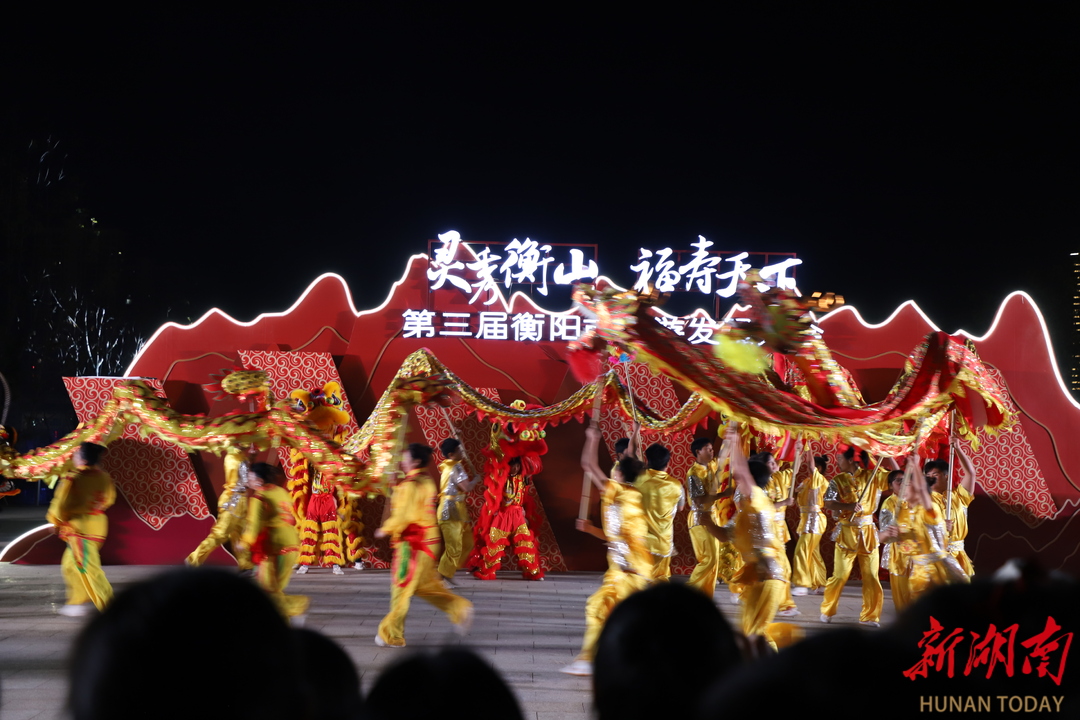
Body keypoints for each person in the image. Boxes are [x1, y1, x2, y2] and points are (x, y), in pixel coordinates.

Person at [561, 425, 651, 676]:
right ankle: (593, 659)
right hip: (625, 570)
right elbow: (615, 537)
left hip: (628, 571)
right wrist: (590, 530)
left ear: (619, 474)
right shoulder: (631, 495)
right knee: (604, 611)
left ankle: (590, 659)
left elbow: (588, 465)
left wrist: (592, 438)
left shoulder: (618, 492)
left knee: (600, 609)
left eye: (615, 471)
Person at [375, 443, 473, 648]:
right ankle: (458, 607)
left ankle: (392, 634)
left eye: (405, 458)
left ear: (416, 461)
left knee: (401, 591)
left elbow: (404, 514)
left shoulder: (409, 485)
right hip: (429, 543)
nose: (402, 461)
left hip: (412, 546)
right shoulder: (425, 481)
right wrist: (394, 488)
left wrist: (386, 528)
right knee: (425, 587)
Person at [819, 446, 898, 627]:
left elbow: (895, 476)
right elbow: (828, 503)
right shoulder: (837, 481)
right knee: (840, 576)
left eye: (840, 458)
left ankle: (870, 615)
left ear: (851, 460)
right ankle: (828, 609)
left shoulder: (873, 476)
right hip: (847, 533)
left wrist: (887, 453)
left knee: (871, 575)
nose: (837, 462)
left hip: (869, 533)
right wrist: (848, 506)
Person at [48, 442, 116, 616]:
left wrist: (55, 521)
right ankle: (77, 603)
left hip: (80, 529)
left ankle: (111, 608)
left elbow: (61, 503)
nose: (73, 456)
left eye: (75, 453)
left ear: (81, 458)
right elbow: (109, 499)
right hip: (97, 526)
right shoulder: (103, 476)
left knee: (90, 569)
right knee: (70, 566)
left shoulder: (74, 477)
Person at [880, 470, 968, 603]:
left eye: (908, 485)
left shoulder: (928, 508)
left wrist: (916, 465)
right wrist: (887, 534)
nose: (904, 488)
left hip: (937, 570)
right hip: (919, 570)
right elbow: (884, 538)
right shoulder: (904, 511)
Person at [240, 463, 310, 619]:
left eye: (250, 477)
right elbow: (290, 516)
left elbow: (254, 526)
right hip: (291, 544)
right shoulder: (281, 491)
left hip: (273, 547)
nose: (248, 481)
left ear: (259, 480)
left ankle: (296, 607)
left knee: (267, 591)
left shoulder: (259, 498)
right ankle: (286, 621)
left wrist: (243, 543)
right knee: (274, 589)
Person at [474, 456, 545, 580]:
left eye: (518, 466)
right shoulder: (501, 478)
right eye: (513, 466)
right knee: (495, 543)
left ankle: (532, 572)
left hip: (518, 516)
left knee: (525, 543)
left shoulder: (523, 478)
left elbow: (533, 467)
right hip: (503, 515)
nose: (515, 468)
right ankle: (487, 571)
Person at [185, 446, 255, 570]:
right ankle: (193, 561)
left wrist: (252, 456)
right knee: (220, 534)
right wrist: (261, 480)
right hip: (234, 501)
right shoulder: (234, 458)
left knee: (239, 534)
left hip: (239, 500)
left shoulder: (239, 456)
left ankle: (245, 566)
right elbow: (244, 481)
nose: (248, 443)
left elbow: (245, 474)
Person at [752, 449, 799, 616]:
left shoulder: (779, 477)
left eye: (774, 462)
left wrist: (799, 451)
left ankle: (780, 603)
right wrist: (783, 503)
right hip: (768, 529)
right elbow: (763, 510)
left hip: (780, 529)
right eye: (771, 463)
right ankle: (784, 605)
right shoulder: (759, 485)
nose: (775, 465)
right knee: (782, 567)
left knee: (780, 568)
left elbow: (795, 469)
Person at [684, 437, 729, 598]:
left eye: (712, 449)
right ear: (698, 452)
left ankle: (703, 597)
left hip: (713, 517)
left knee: (714, 560)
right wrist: (723, 494)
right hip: (700, 518)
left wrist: (731, 436)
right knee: (708, 559)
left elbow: (724, 455)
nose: (712, 452)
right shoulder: (693, 473)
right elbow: (699, 499)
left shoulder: (712, 466)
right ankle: (689, 594)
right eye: (708, 449)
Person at [925, 440, 977, 577]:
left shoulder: (959, 495)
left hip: (958, 553)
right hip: (935, 554)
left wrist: (958, 448)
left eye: (935, 475)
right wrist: (941, 526)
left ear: (946, 476)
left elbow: (971, 474)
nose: (930, 479)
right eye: (928, 476)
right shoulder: (923, 499)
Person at [635, 443, 684, 581]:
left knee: (637, 582)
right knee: (660, 579)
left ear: (647, 460)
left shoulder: (637, 481)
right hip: (663, 542)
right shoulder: (676, 485)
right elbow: (680, 508)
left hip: (640, 541)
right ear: (668, 463)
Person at [436, 437, 478, 587]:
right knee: (454, 546)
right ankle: (442, 577)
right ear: (451, 454)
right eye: (459, 450)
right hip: (450, 509)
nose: (462, 452)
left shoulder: (452, 465)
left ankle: (446, 573)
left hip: (457, 509)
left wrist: (460, 438)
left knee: (467, 542)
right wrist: (476, 480)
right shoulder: (455, 467)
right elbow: (466, 488)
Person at [790, 454, 830, 596]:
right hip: (805, 518)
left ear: (818, 468)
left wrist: (809, 450)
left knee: (801, 550)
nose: (808, 468)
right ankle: (820, 583)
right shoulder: (806, 481)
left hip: (814, 519)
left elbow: (812, 467)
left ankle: (801, 584)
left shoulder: (819, 480)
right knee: (812, 552)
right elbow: (795, 496)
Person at [878, 469, 912, 611]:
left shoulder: (917, 500)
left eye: (905, 480)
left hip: (918, 554)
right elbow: (887, 533)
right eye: (898, 480)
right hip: (899, 554)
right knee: (903, 595)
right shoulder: (889, 504)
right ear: (891, 485)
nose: (903, 483)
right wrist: (892, 532)